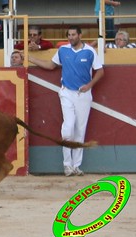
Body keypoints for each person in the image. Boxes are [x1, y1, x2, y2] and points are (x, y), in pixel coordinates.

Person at [28, 25, 104, 177]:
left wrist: (89, 85)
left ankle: (76, 166)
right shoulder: (63, 50)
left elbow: (100, 71)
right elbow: (51, 65)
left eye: (73, 34)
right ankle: (67, 164)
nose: (71, 37)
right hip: (67, 92)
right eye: (69, 35)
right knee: (68, 127)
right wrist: (30, 58)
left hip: (83, 94)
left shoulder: (89, 51)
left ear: (80, 35)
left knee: (80, 130)